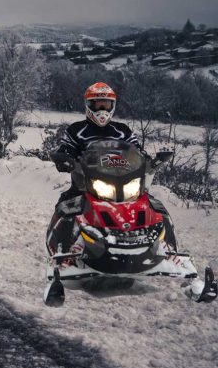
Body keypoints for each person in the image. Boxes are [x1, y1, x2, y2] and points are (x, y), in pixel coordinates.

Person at [45, 82, 164, 257]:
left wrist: (149, 162)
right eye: (97, 104)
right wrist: (65, 160)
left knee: (154, 206)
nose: (102, 109)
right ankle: (62, 252)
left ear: (112, 106)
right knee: (67, 205)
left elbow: (137, 153)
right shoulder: (76, 130)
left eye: (106, 104)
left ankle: (167, 249)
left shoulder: (122, 131)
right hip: (85, 185)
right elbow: (65, 150)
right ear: (88, 105)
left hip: (123, 183)